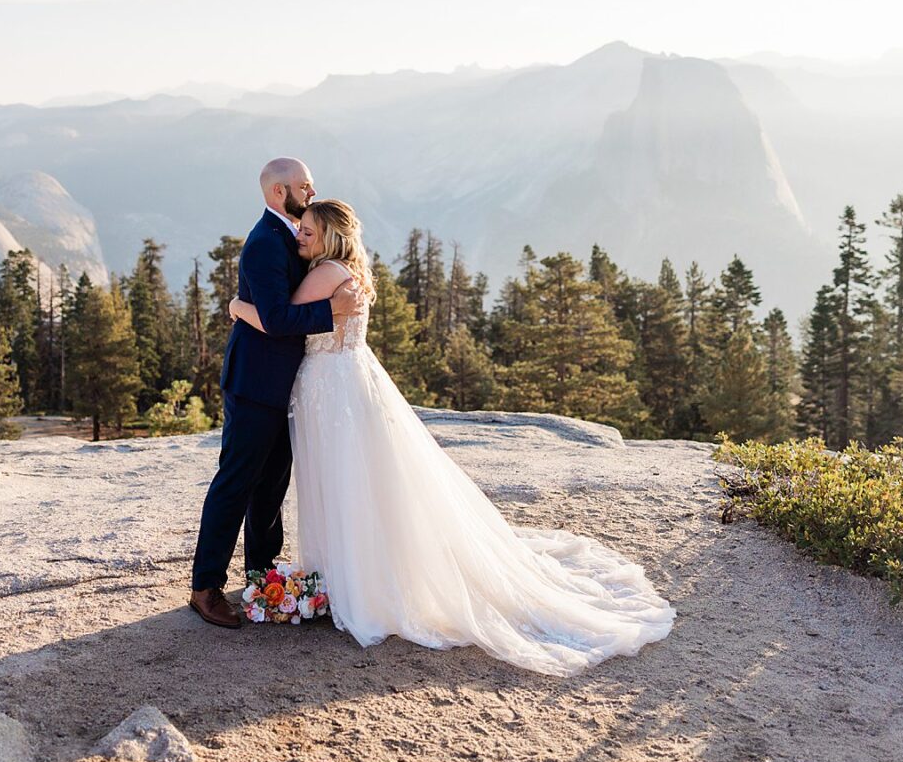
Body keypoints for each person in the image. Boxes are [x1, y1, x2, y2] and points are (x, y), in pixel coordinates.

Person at [227, 198, 675, 676]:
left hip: (331, 390)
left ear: (332, 237)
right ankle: (356, 572)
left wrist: (238, 305)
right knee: (360, 481)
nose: (300, 237)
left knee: (342, 481)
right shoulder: (347, 269)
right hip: (347, 384)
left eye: (309, 231)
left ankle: (354, 581)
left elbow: (279, 324)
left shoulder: (324, 273)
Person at [189, 157, 366, 628]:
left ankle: (261, 576)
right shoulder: (265, 244)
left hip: (290, 386)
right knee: (236, 482)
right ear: (277, 192)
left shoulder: (292, 235)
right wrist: (334, 310)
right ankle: (205, 588)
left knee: (271, 486)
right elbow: (275, 320)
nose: (312, 192)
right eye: (304, 186)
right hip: (256, 384)